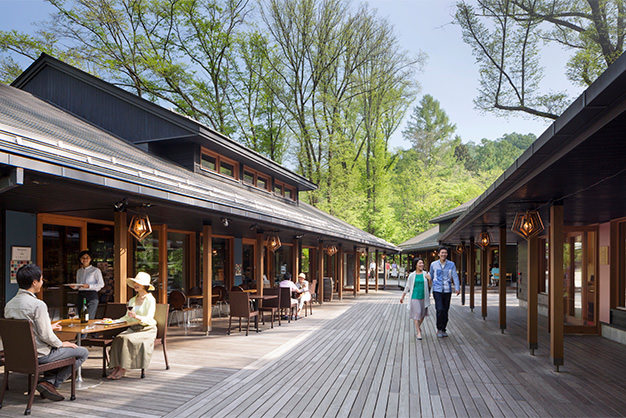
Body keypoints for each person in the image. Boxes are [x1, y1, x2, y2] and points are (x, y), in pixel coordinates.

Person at [4, 264, 89, 401]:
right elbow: (45, 336)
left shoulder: (9, 305)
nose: (42, 283)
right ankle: (51, 383)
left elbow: (27, 329)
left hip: (17, 355)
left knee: (59, 350)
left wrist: (49, 326)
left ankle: (47, 382)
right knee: (82, 352)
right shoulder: (38, 304)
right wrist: (62, 343)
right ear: (34, 282)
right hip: (39, 355)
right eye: (42, 280)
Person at [107, 272, 157, 380]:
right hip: (133, 328)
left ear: (145, 285)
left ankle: (123, 368)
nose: (135, 284)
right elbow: (127, 317)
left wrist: (137, 317)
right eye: (135, 282)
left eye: (138, 283)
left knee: (125, 339)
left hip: (146, 330)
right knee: (118, 338)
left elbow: (149, 318)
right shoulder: (132, 300)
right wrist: (112, 321)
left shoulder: (150, 300)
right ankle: (116, 367)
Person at [429, 247, 460, 338]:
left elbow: (455, 276)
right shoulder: (433, 264)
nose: (444, 254)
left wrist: (457, 288)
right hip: (437, 290)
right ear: (438, 254)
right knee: (439, 309)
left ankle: (443, 329)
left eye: (445, 253)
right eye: (442, 253)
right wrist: (429, 289)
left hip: (447, 290)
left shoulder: (451, 264)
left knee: (445, 310)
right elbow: (430, 276)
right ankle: (439, 329)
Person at [400, 258, 431, 340]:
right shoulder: (412, 275)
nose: (422, 265)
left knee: (423, 314)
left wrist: (429, 279)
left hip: (424, 297)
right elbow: (407, 286)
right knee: (417, 314)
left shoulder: (426, 274)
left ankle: (418, 327)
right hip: (414, 297)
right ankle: (418, 332)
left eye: (422, 263)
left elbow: (431, 285)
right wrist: (403, 296)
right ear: (416, 265)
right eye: (420, 263)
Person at [72, 249, 104, 320]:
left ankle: (89, 331)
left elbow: (101, 284)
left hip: (92, 296)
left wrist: (89, 286)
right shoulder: (79, 271)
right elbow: (79, 284)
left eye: (87, 258)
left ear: (90, 259)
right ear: (80, 259)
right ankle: (83, 331)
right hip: (81, 295)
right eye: (83, 258)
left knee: (89, 318)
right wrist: (74, 286)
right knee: (82, 317)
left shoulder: (96, 270)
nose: (85, 259)